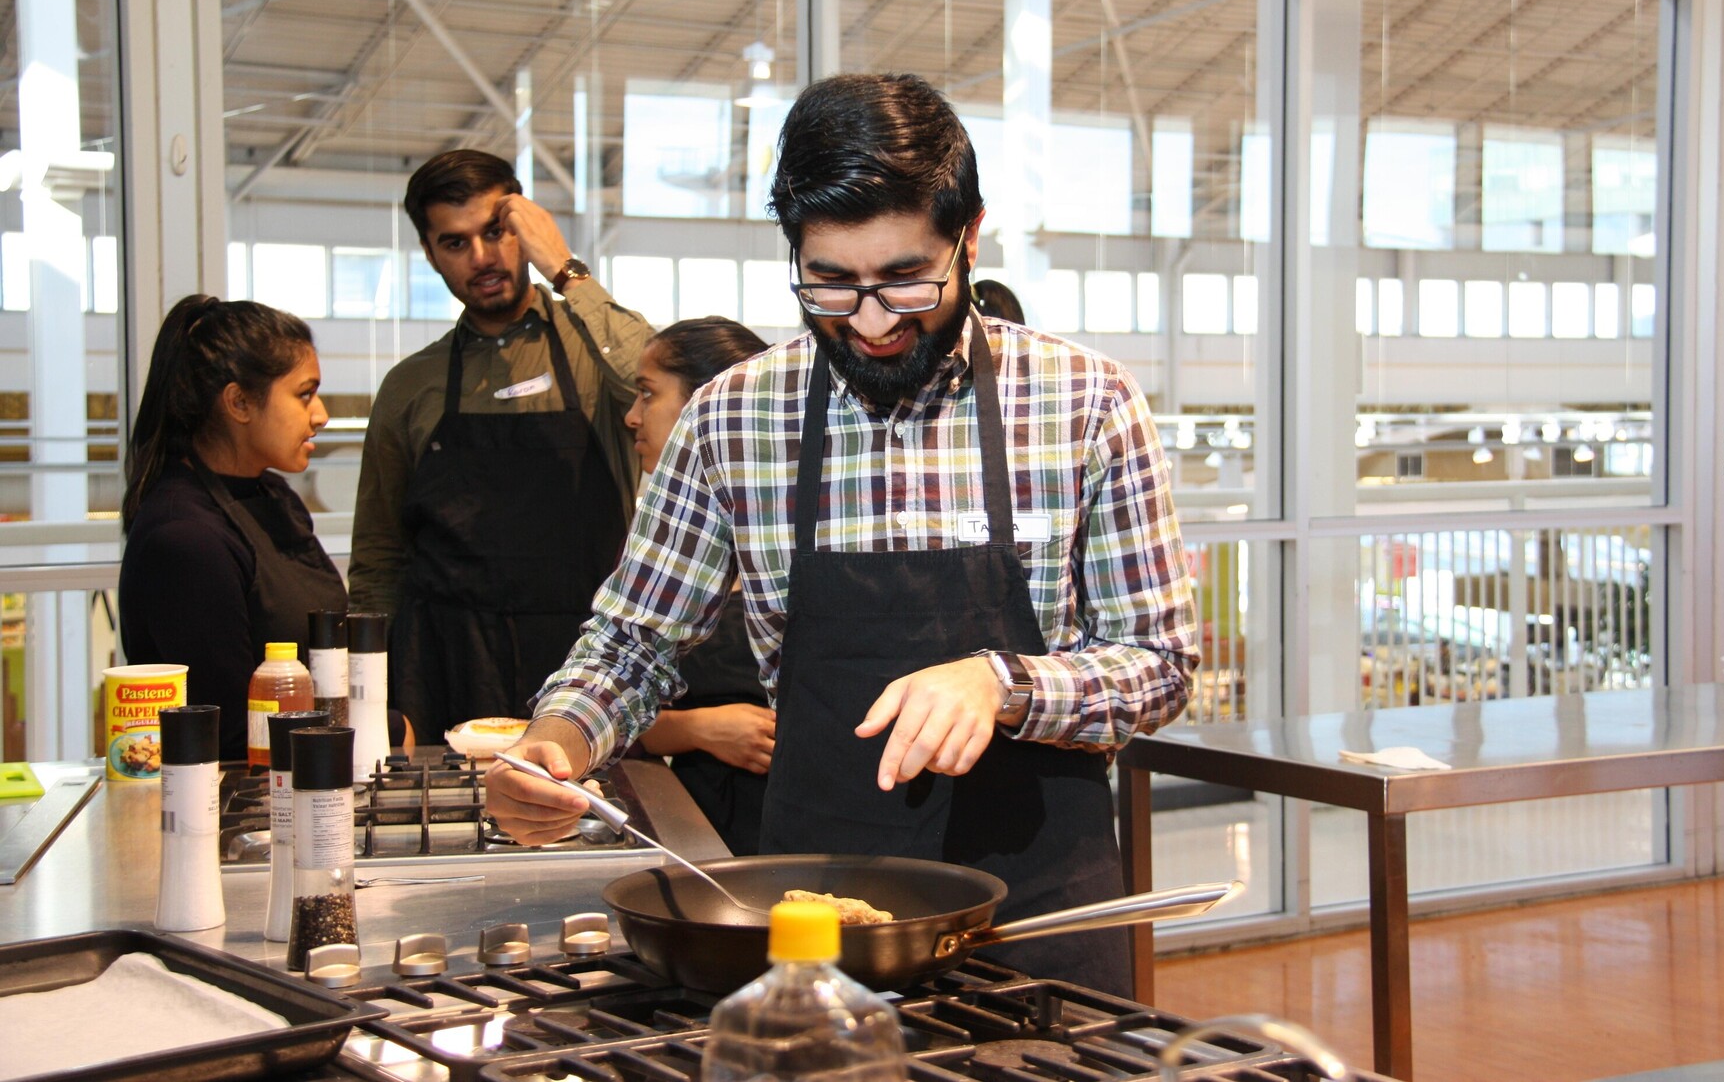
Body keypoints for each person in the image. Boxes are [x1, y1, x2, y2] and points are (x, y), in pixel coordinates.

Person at [485, 73, 1199, 997]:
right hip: (815, 915)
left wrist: (1001, 681)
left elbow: (1162, 662)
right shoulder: (733, 419)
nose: (869, 322)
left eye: (907, 279)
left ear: (969, 236)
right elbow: (634, 640)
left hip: (1037, 914)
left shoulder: (1086, 404)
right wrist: (558, 742)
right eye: (830, 284)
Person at [347, 150, 655, 744]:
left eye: (497, 232)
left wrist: (566, 269)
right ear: (431, 254)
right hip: (446, 663)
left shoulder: (595, 352)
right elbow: (380, 556)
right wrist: (370, 692)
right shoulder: (411, 387)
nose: (484, 258)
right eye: (456, 243)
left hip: (583, 663)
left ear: (525, 227)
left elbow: (673, 390)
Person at [119, 295, 348, 763]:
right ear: (239, 402)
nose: (320, 414)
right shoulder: (184, 537)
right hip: (237, 802)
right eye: (304, 394)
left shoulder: (276, 497)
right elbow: (232, 732)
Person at [623, 317, 773, 855]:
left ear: (707, 408)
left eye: (647, 394)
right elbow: (625, 707)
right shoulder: (662, 551)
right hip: (693, 825)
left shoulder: (795, 542)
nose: (632, 416)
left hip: (796, 835)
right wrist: (702, 730)